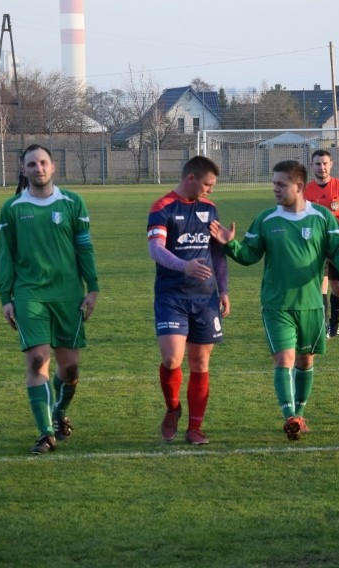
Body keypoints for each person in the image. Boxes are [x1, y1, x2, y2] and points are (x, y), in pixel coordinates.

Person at [209, 160, 339, 441]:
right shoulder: (266, 219)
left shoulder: (322, 218)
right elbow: (250, 254)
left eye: (281, 184)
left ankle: (299, 412)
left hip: (312, 304)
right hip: (277, 304)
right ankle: (289, 416)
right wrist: (230, 244)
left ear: (298, 186)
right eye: (273, 184)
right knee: (284, 359)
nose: (274, 189)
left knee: (305, 360)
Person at [0, 144, 99, 454]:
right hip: (30, 295)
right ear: (23, 170)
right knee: (37, 360)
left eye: (43, 163)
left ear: (53, 167)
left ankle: (58, 413)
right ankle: (45, 434)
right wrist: (6, 296)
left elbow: (84, 247)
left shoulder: (73, 203)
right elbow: (6, 255)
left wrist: (92, 288)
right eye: (31, 164)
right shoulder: (12, 208)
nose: (38, 168)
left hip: (68, 296)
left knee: (70, 370)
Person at [147, 155, 229, 446]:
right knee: (172, 359)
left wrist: (224, 289)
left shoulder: (210, 209)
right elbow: (155, 249)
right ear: (191, 179)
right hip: (172, 296)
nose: (210, 190)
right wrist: (185, 266)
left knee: (200, 361)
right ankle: (172, 408)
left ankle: (195, 428)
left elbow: (217, 252)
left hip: (205, 297)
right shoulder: (162, 207)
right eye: (207, 184)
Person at [304, 149, 339, 338]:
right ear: (312, 166)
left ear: (331, 164)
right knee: (321, 285)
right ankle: (323, 325)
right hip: (316, 245)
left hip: (338, 245)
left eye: (325, 163)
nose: (322, 167)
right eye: (318, 164)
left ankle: (334, 324)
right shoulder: (306, 190)